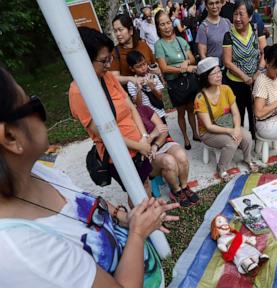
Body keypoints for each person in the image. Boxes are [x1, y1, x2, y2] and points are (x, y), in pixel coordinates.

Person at [0, 65, 180, 287]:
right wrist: (137, 233)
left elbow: (84, 203)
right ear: (10, 136)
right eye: (32, 104)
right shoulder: (22, 250)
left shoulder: (33, 172)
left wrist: (124, 217)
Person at [69, 27, 154, 195]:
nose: (109, 65)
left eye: (110, 59)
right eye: (104, 60)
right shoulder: (78, 92)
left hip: (139, 145)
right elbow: (104, 134)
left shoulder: (107, 77)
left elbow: (131, 107)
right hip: (120, 154)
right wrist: (140, 146)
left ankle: (152, 219)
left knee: (145, 184)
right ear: (84, 59)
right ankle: (146, 220)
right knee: (138, 192)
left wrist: (144, 138)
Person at [195, 57, 257, 181]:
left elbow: (235, 113)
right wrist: (231, 131)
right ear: (205, 77)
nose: (219, 76)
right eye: (214, 73)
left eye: (219, 72)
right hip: (208, 132)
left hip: (227, 124)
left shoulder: (226, 89)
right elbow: (208, 126)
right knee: (231, 142)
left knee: (247, 135)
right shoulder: (200, 98)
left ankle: (247, 158)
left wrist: (237, 128)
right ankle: (222, 168)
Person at [136, 105, 199, 207]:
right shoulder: (126, 122)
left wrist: (156, 145)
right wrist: (153, 135)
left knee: (181, 155)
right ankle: (176, 191)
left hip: (161, 144)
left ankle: (184, 187)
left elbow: (164, 130)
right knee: (169, 161)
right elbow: (140, 147)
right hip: (147, 153)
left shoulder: (143, 109)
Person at [154, 10, 200, 150]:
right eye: (162, 24)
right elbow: (164, 68)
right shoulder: (159, 45)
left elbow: (192, 58)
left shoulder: (180, 40)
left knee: (191, 109)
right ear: (158, 27)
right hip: (175, 84)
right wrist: (182, 68)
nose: (167, 27)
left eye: (168, 23)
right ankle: (186, 138)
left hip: (188, 82)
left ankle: (195, 133)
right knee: (181, 112)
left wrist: (186, 63)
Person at [222, 0, 266, 139]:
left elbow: (265, 52)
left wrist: (258, 71)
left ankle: (255, 138)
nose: (238, 18)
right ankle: (241, 141)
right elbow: (227, 62)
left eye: (241, 14)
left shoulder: (256, 29)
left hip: (255, 80)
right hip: (235, 83)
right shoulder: (229, 36)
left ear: (250, 16)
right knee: (238, 114)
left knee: (255, 112)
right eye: (235, 14)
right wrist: (244, 77)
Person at [111, 13, 159, 87]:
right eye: (115, 31)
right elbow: (114, 77)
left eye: (120, 30)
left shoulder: (143, 45)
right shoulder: (115, 52)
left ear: (130, 30)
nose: (118, 34)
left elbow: (154, 64)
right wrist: (131, 79)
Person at [127, 51, 167, 122]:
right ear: (132, 69)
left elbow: (160, 97)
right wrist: (138, 89)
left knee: (165, 131)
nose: (143, 68)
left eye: (144, 64)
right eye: (138, 66)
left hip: (159, 112)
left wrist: (152, 87)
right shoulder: (131, 83)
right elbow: (138, 105)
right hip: (146, 116)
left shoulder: (153, 76)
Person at [195, 0, 232, 64]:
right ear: (206, 7)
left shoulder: (227, 22)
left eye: (217, 3)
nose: (214, 6)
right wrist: (212, 70)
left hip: (229, 68)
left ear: (221, 4)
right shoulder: (203, 27)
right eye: (211, 4)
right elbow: (202, 55)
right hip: (214, 69)